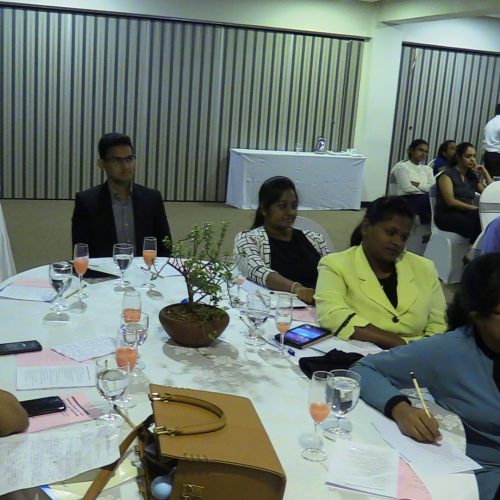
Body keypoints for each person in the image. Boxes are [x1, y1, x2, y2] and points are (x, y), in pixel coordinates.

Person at [351, 253, 500, 500]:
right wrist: (400, 409)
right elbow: (363, 369)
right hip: (485, 476)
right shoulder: (450, 350)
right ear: (478, 317)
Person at [315, 196, 446, 349]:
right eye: (390, 232)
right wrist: (398, 344)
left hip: (419, 354)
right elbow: (332, 314)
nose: (397, 242)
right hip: (361, 353)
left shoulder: (424, 267)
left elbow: (439, 324)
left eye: (404, 237)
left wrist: (422, 353)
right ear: (366, 227)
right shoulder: (335, 264)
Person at [72, 133, 172, 257]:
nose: (125, 166)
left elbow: (165, 249)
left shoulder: (152, 199)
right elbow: (81, 253)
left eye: (129, 159)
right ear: (102, 164)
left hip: (145, 268)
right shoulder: (87, 202)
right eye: (116, 160)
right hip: (104, 269)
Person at [234, 176, 329, 304]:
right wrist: (297, 288)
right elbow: (256, 270)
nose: (290, 212)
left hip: (322, 304)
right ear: (264, 209)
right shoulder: (248, 239)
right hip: (276, 309)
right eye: (282, 206)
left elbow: (333, 271)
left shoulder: (315, 239)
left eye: (294, 206)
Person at [435, 142, 493, 243]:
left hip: (466, 213)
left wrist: (485, 173)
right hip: (447, 215)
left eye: (474, 156)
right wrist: (475, 208)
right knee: (479, 221)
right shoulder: (447, 175)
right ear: (458, 157)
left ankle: (477, 248)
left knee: (489, 221)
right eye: (468, 156)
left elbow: (490, 192)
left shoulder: (471, 177)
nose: (472, 159)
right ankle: (473, 249)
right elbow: (451, 202)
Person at [391, 139, 434, 224]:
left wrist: (417, 185)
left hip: (424, 197)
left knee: (437, 201)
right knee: (431, 202)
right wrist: (425, 187)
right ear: (411, 150)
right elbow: (407, 188)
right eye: (420, 150)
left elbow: (432, 188)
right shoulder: (401, 166)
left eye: (426, 151)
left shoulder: (428, 169)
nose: (423, 153)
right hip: (407, 198)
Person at [483, 103, 500, 177]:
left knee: (488, 178)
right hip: (497, 156)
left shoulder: (490, 122)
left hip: (488, 154)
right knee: (497, 180)